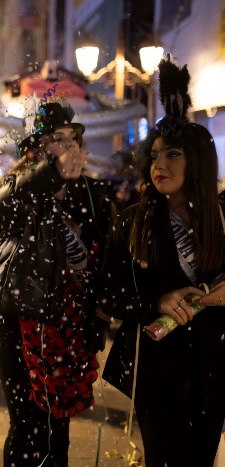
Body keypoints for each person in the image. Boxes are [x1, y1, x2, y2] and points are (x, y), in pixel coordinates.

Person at [99, 56, 225, 466]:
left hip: (216, 369)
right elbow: (105, 294)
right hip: (157, 370)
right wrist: (156, 302)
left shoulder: (224, 218)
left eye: (173, 155)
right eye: (154, 156)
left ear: (199, 162)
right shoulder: (133, 224)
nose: (160, 166)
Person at [0, 93, 114, 465]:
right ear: (35, 148)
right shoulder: (20, 186)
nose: (69, 146)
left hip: (66, 321)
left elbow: (102, 257)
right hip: (17, 316)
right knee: (28, 426)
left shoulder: (90, 193)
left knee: (59, 430)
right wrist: (50, 173)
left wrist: (98, 316)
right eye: (58, 138)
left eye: (72, 138)